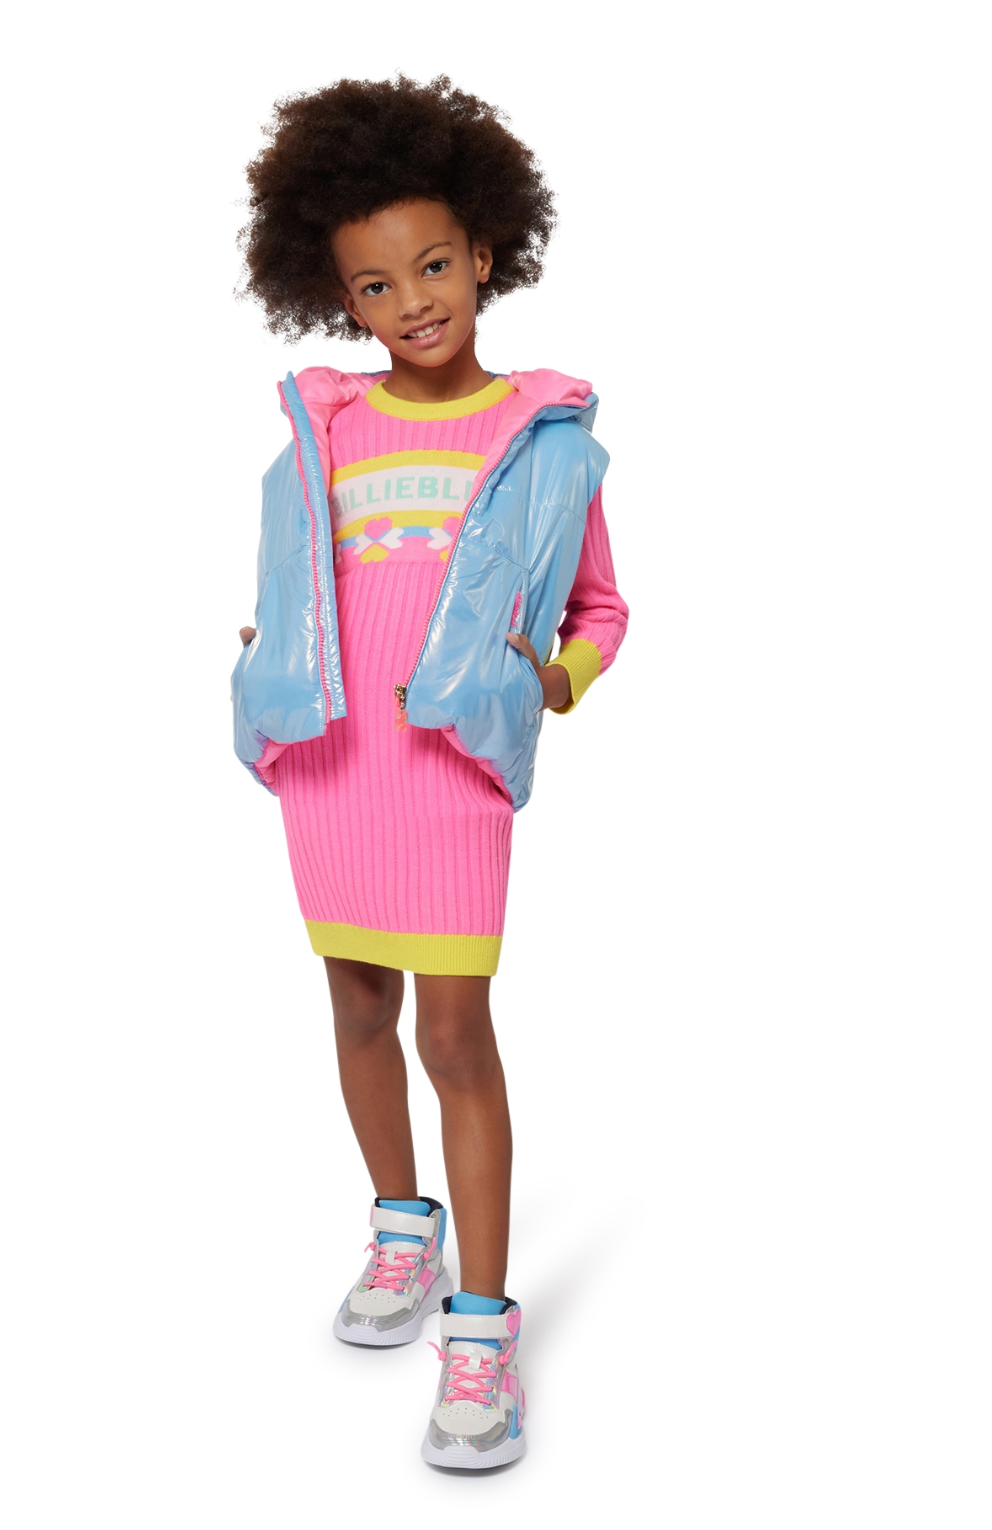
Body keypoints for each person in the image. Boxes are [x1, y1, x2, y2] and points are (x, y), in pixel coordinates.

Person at [232, 75, 628, 1468]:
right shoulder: (324, 431)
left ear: (486, 253)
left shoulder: (544, 438)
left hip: (451, 770)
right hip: (332, 766)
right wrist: (269, 647)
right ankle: (401, 1228)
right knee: (356, 1006)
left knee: (453, 1034)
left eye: (435, 266)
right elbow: (299, 581)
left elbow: (601, 611)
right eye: (375, 284)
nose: (412, 302)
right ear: (337, 298)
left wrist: (553, 684)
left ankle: (480, 1324)